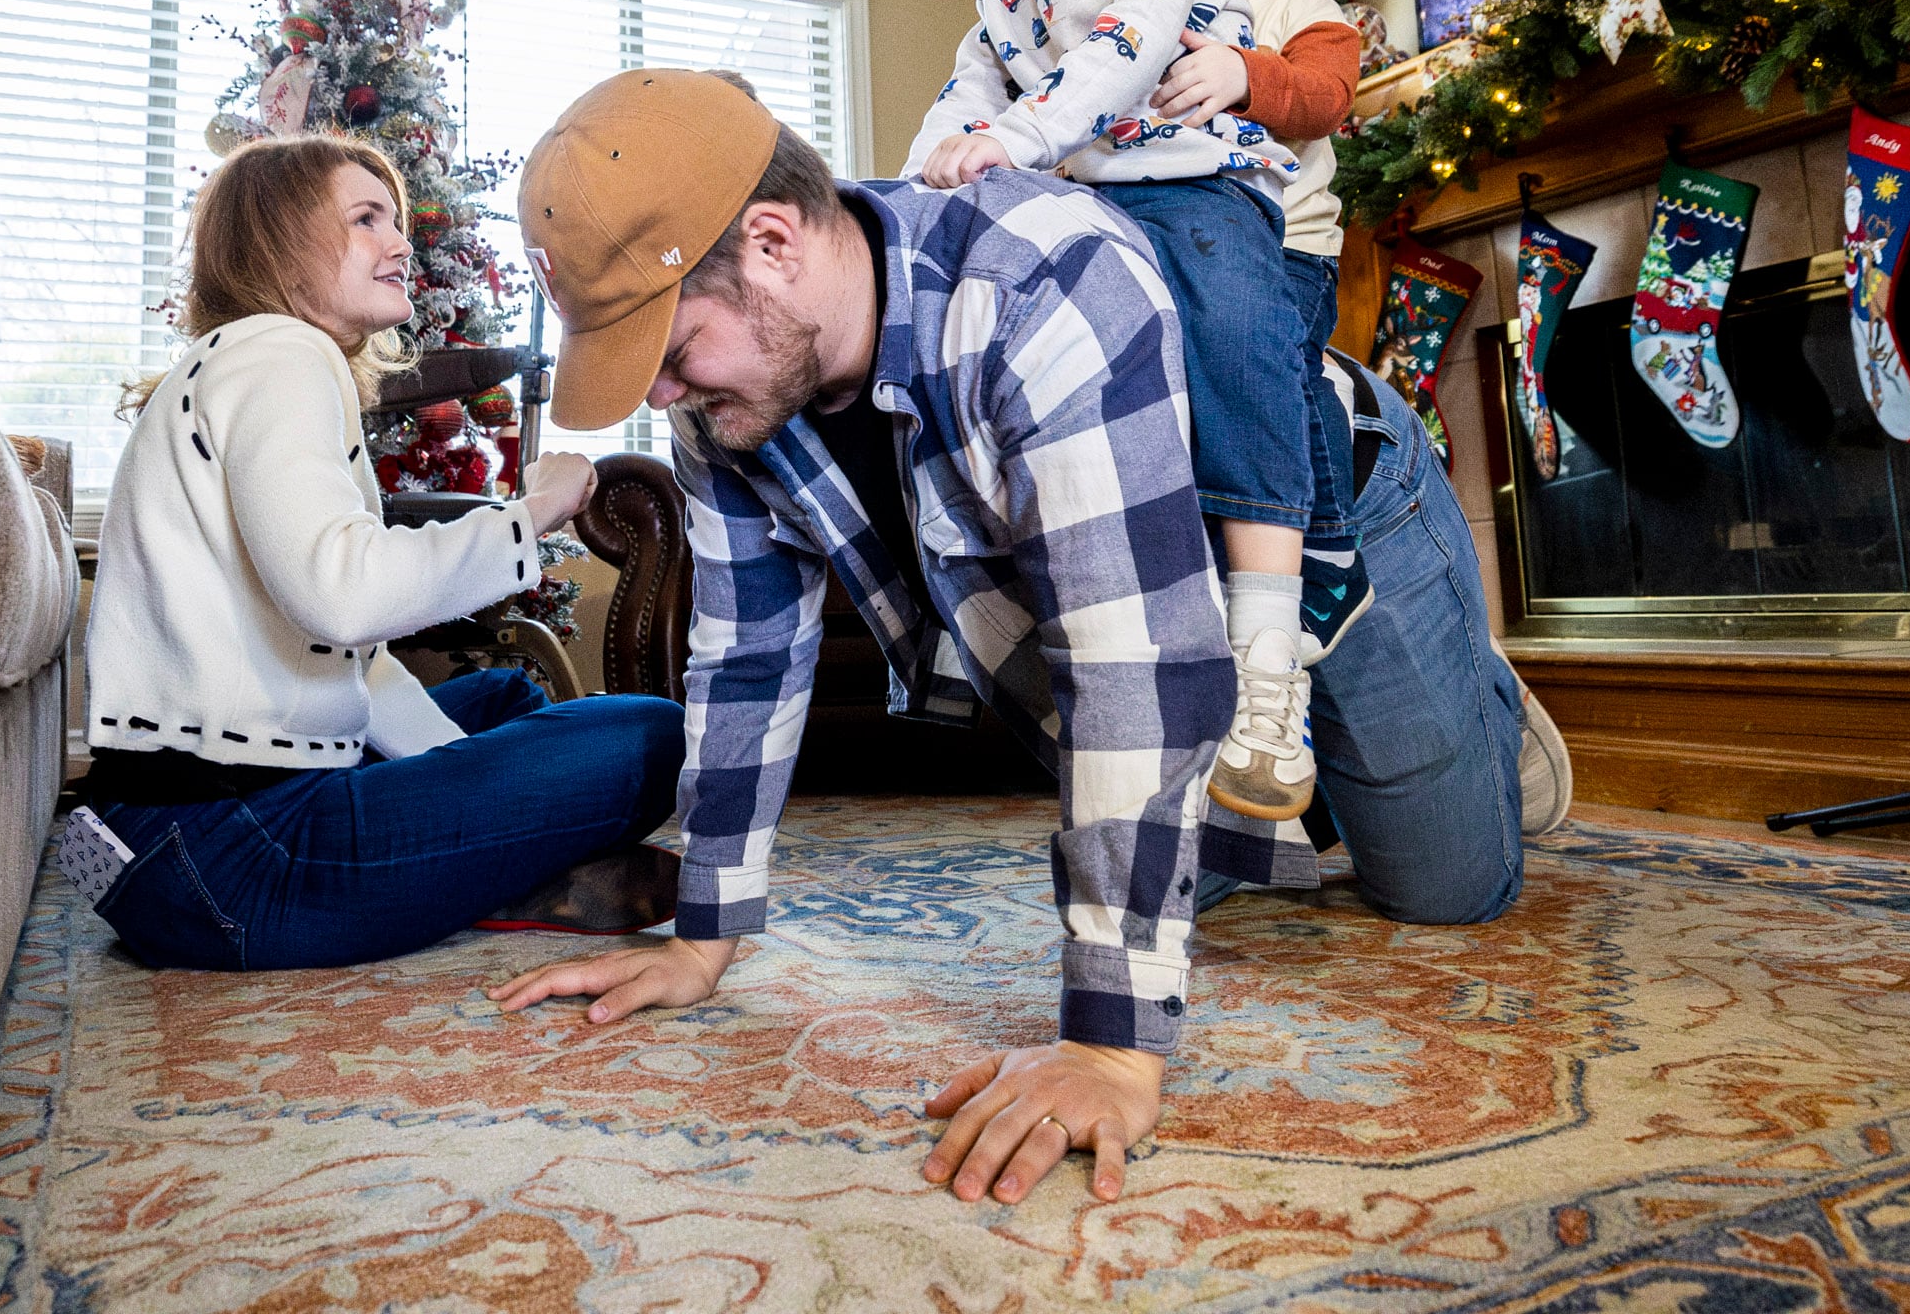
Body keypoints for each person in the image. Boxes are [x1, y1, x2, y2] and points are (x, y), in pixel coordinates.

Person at [486, 71, 1562, 1211]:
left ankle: (1480, 704)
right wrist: (702, 934)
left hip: (1326, 519)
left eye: (672, 346)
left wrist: (1110, 1044)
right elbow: (744, 656)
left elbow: (1132, 667)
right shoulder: (730, 410)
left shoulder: (1040, 278)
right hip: (1125, 591)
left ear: (772, 242)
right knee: (1228, 869)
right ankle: (1289, 764)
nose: (666, 394)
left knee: (1444, 888)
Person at [891, 0, 1361, 827]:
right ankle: (995, 614)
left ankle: (1269, 654)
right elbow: (958, 102)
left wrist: (1010, 141)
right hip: (1091, 213)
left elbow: (1128, 43)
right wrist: (922, 180)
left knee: (1238, 328)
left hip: (1200, 191)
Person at [76, 133, 687, 969]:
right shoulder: (278, 353)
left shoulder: (247, 361)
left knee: (505, 700)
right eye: (367, 220)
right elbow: (345, 594)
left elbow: (347, 651)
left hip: (176, 847)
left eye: (395, 221)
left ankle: (485, 866)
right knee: (651, 736)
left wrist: (469, 789)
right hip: (234, 856)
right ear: (278, 239)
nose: (402, 243)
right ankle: (490, 872)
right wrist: (532, 511)